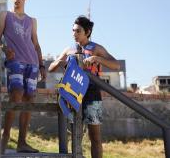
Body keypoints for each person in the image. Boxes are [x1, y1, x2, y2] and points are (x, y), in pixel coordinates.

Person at [48, 16, 120, 158]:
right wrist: (60, 62)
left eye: (78, 31)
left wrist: (97, 59)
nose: (74, 34)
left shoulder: (96, 48)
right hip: (73, 94)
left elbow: (116, 65)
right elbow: (51, 68)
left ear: (87, 32)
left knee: (95, 136)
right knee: (76, 134)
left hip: (92, 94)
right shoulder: (69, 49)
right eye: (73, 31)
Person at [0, 0, 46, 154]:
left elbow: (36, 45)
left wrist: (42, 65)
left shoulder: (32, 21)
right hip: (15, 61)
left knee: (29, 99)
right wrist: (4, 50)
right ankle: (4, 140)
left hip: (32, 63)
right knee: (15, 95)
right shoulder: (4, 15)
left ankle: (22, 142)